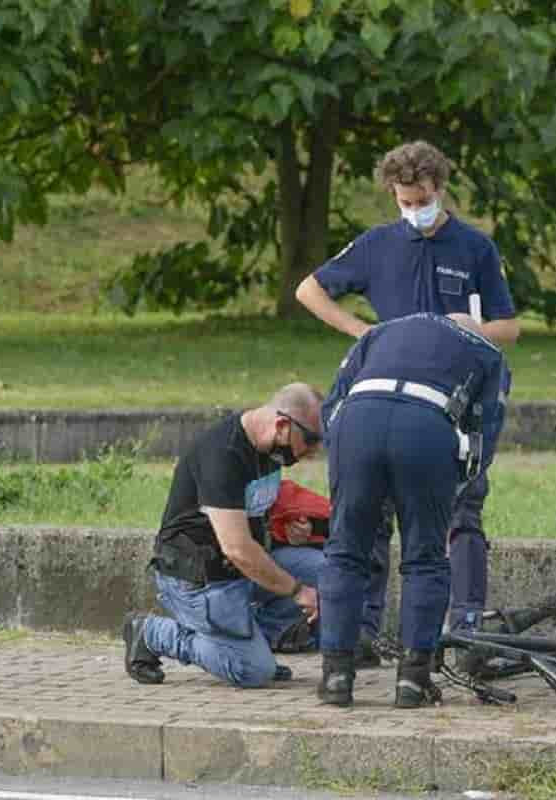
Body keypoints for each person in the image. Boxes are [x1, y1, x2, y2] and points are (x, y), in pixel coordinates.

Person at [295, 140, 520, 664]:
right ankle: (365, 630)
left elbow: (509, 327)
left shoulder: (475, 249)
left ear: (439, 189)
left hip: (454, 400)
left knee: (462, 508)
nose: (414, 210)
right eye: (404, 202)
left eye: (421, 199)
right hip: (386, 395)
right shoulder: (376, 245)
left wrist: (473, 328)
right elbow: (309, 290)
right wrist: (362, 333)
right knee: (369, 514)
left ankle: (466, 628)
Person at [315, 312, 509, 708]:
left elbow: (333, 400)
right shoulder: (486, 352)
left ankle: (336, 675)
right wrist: (457, 483)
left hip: (357, 422)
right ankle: (413, 680)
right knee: (425, 558)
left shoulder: (378, 332)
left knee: (345, 552)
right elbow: (486, 429)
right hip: (425, 430)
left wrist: (343, 460)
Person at [123, 383, 325, 689]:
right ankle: (151, 633)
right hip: (199, 580)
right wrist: (298, 592)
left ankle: (245, 644)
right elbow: (238, 548)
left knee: (328, 571)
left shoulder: (272, 450)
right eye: (310, 441)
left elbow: (256, 512)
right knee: (253, 670)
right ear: (282, 424)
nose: (311, 452)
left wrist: (295, 532)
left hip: (241, 574)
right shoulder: (222, 455)